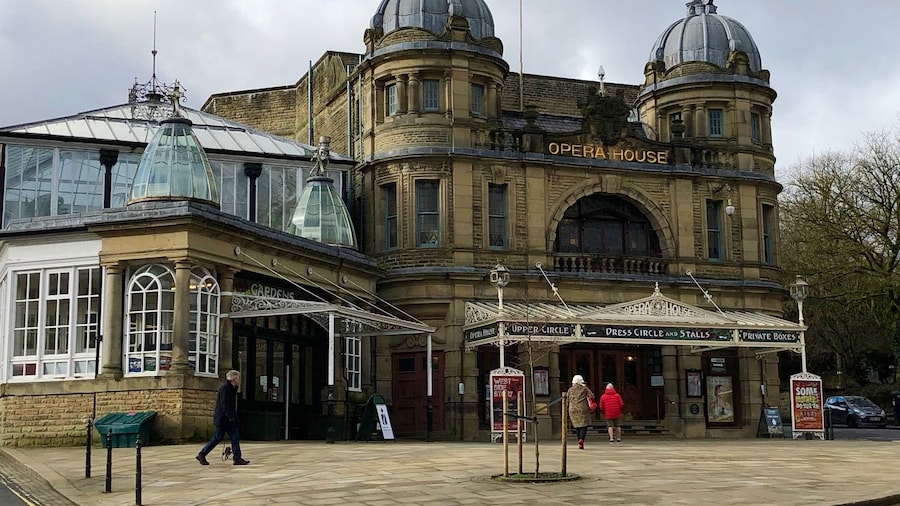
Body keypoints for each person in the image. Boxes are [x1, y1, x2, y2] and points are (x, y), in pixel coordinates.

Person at [196, 370, 250, 466]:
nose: (239, 380)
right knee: (217, 438)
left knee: (234, 438)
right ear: (234, 378)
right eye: (238, 377)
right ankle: (202, 454)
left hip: (228, 420)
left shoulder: (232, 388)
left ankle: (237, 458)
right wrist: (231, 417)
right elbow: (224, 405)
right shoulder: (225, 389)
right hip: (224, 419)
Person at [566, 374, 595, 450]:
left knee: (577, 425)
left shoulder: (570, 390)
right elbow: (592, 396)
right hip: (582, 408)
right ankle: (581, 439)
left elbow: (567, 400)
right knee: (583, 425)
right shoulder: (584, 388)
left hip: (572, 409)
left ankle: (579, 440)